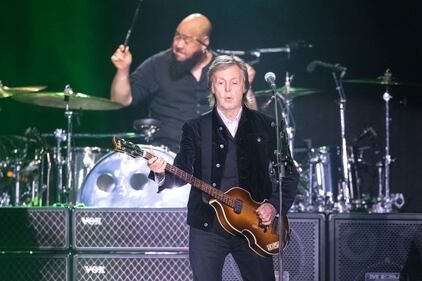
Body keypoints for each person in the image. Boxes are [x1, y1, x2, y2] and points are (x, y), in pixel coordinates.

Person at [147, 55, 299, 281]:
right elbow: (181, 174)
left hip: (255, 225)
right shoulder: (195, 128)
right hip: (208, 225)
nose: (227, 89)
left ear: (245, 86)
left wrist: (274, 207)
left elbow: (289, 175)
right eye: (220, 82)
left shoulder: (268, 126)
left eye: (234, 82)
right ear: (212, 87)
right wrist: (161, 172)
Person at [110, 13, 257, 152]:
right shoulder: (158, 64)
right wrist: (122, 70)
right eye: (177, 37)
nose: (179, 45)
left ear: (204, 43)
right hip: (166, 156)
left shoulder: (225, 70)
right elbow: (121, 100)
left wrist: (247, 88)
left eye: (186, 40)